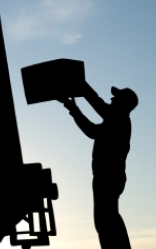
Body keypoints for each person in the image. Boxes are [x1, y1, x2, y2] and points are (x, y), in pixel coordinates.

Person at [60, 82, 138, 249]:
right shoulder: (114, 122)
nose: (111, 100)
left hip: (108, 178)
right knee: (106, 221)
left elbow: (100, 106)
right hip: (105, 178)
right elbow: (91, 131)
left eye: (115, 99)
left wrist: (82, 85)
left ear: (123, 104)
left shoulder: (119, 120)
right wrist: (73, 108)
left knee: (106, 221)